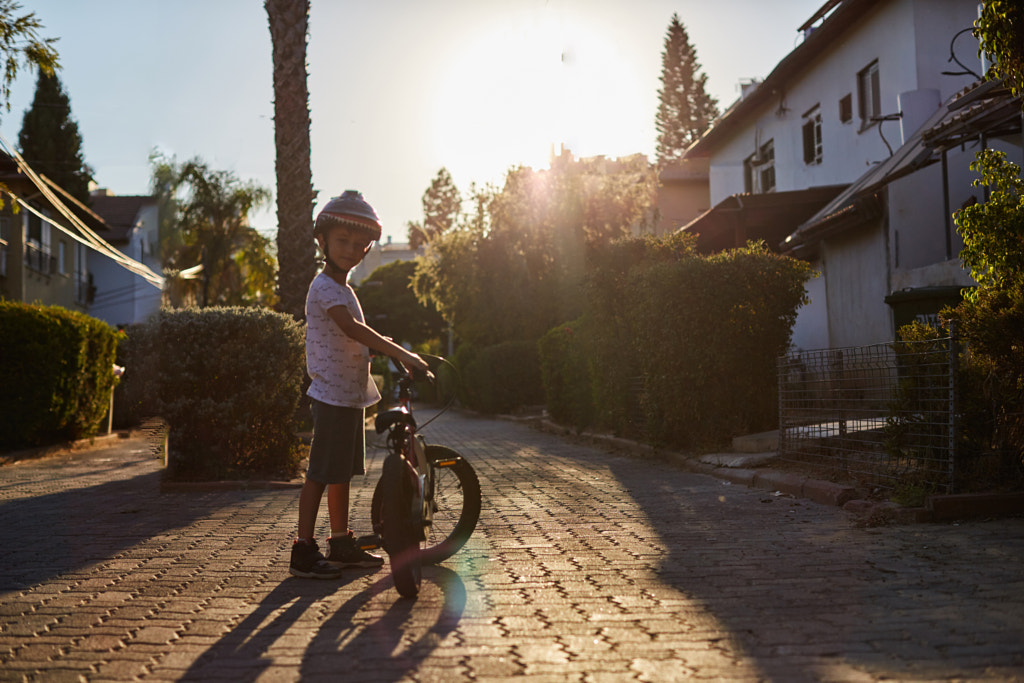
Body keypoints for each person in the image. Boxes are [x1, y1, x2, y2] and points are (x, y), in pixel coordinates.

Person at [290, 190, 430, 579]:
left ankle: (340, 542)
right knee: (320, 472)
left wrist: (381, 354)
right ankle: (303, 548)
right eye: (342, 241)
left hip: (348, 396)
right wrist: (402, 353)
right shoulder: (324, 288)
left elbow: (355, 338)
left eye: (358, 244)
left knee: (340, 474)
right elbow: (353, 328)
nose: (351, 250)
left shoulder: (346, 289)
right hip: (331, 395)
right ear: (323, 242)